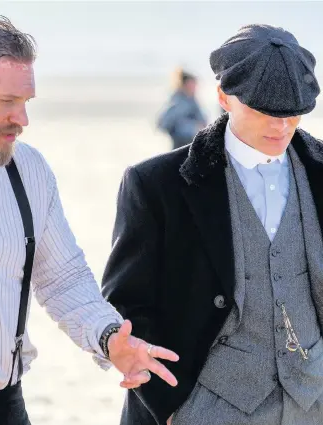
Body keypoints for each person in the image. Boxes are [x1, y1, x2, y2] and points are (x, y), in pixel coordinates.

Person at [0, 15, 180, 425]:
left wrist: (109, 338)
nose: (22, 120)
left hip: (7, 408)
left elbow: (63, 279)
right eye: (7, 103)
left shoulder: (30, 171)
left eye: (26, 103)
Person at [102, 24, 323, 425]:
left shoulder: (320, 172)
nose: (281, 127)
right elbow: (128, 303)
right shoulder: (155, 184)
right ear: (224, 97)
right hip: (203, 408)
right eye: (265, 112)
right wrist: (168, 407)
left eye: (293, 113)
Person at [157, 69, 207, 149]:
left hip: (191, 143)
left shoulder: (192, 100)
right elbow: (164, 124)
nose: (194, 88)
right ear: (184, 85)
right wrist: (194, 127)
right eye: (192, 85)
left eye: (195, 85)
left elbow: (203, 121)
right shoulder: (177, 102)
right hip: (180, 143)